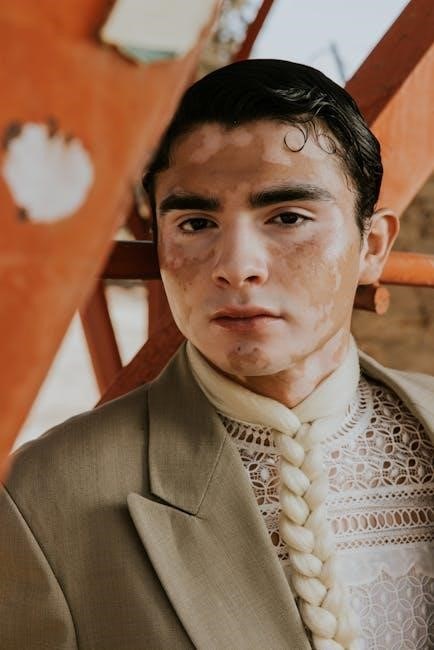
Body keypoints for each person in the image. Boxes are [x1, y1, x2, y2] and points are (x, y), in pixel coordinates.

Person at [1, 59, 433, 650]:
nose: (236, 266)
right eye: (196, 223)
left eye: (288, 217)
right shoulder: (46, 497)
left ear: (373, 247)